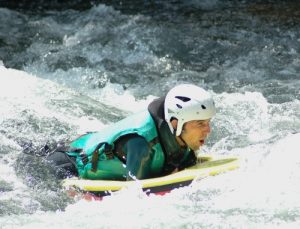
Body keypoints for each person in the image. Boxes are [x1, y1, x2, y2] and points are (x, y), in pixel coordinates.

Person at [46, 84, 216, 180]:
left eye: (208, 122)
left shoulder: (181, 138)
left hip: (91, 142)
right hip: (68, 164)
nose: (208, 130)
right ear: (175, 123)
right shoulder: (141, 146)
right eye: (200, 124)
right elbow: (134, 195)